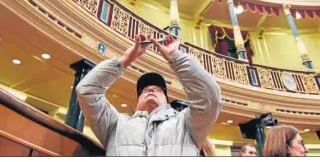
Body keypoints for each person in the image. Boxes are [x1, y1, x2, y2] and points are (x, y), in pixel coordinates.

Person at [76, 35, 222, 156]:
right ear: (137, 100)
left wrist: (176, 58)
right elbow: (86, 91)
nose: (150, 90)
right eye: (144, 90)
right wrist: (124, 60)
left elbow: (209, 98)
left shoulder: (186, 123)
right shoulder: (115, 124)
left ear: (167, 101)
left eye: (158, 89)